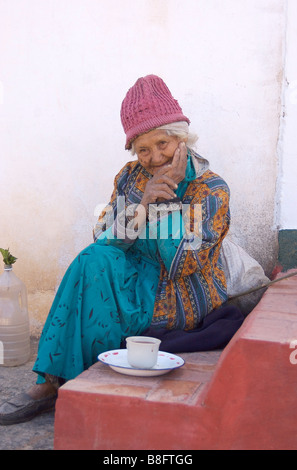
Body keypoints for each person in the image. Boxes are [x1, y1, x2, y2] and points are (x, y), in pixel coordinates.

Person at [0, 75, 244, 425]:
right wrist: (143, 205)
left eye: (163, 143)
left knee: (103, 287)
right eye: (143, 149)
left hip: (180, 294)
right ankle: (49, 382)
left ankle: (71, 379)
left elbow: (183, 265)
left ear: (182, 139)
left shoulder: (212, 190)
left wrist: (169, 198)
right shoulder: (130, 177)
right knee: (93, 259)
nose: (155, 156)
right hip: (134, 278)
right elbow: (103, 237)